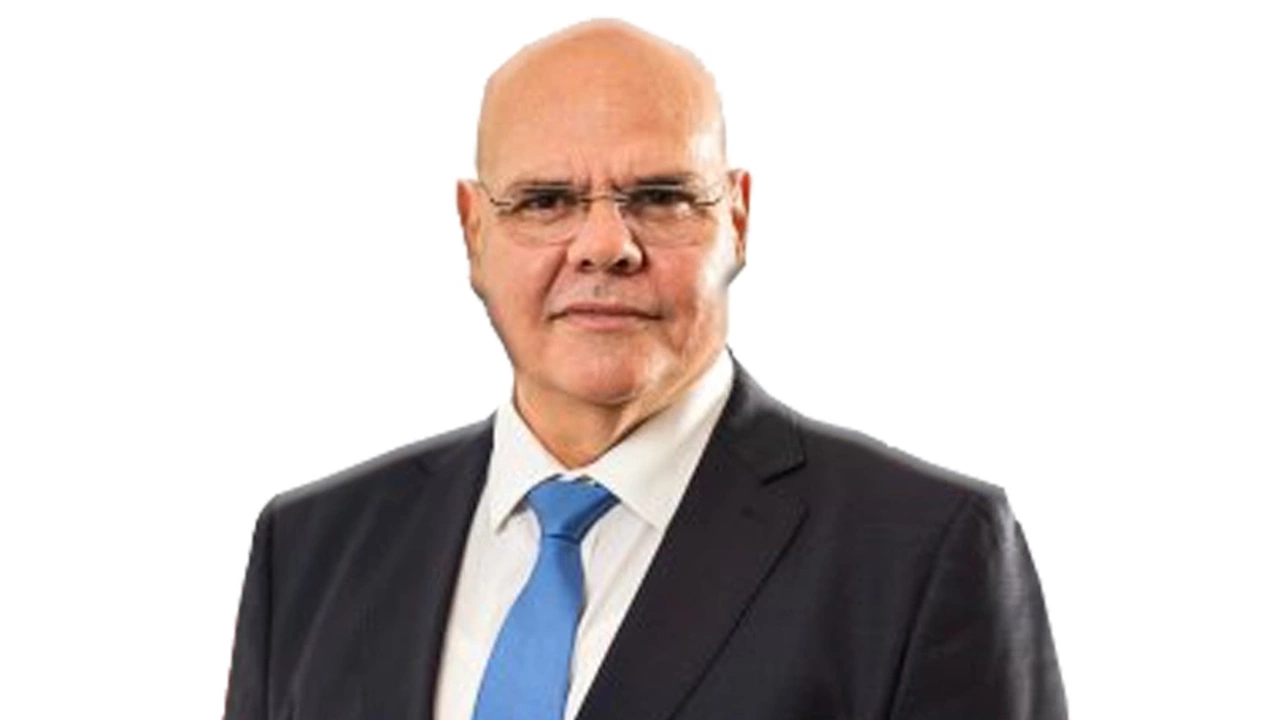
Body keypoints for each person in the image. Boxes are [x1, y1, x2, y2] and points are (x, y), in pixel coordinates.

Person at [223, 18, 1067, 720]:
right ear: (473, 231)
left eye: (660, 197)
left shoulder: (919, 550)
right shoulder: (311, 550)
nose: (604, 246)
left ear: (737, 219)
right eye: (546, 201)